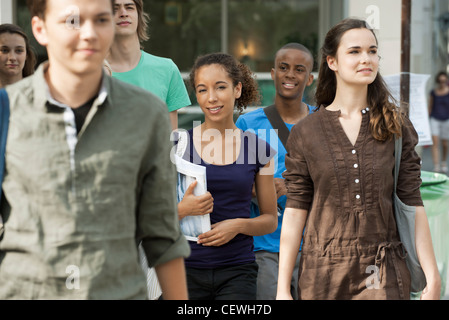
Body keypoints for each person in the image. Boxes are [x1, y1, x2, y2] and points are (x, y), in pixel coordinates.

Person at [0, 0, 190, 299]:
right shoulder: (7, 110)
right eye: (72, 21)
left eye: (101, 20)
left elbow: (162, 234)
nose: (88, 33)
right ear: (40, 28)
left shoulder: (148, 112)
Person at [277, 18, 441, 300]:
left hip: (382, 271)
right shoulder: (306, 131)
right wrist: (281, 288)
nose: (366, 58)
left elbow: (412, 202)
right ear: (332, 62)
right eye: (354, 51)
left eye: (372, 51)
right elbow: (295, 211)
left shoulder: (396, 126)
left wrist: (432, 275)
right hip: (322, 273)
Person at [178, 52, 278, 300]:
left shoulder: (259, 149)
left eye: (220, 87)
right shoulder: (177, 147)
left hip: (237, 271)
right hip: (183, 270)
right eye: (202, 90)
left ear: (237, 89)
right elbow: (150, 216)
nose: (211, 98)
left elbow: (269, 219)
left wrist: (238, 225)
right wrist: (182, 209)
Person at [235, 42, 315, 300]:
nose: (290, 74)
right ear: (272, 73)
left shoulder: (323, 122)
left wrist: (292, 188)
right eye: (283, 67)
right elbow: (235, 182)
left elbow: (337, 183)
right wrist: (261, 190)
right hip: (264, 247)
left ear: (310, 78)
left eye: (299, 69)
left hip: (312, 246)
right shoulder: (248, 123)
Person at [107, 0, 191, 130]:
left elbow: (170, 139)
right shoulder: (93, 73)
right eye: (115, 8)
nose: (123, 13)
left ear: (139, 15)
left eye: (129, 7)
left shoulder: (167, 69)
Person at [0, 23, 36, 88]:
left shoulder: (40, 93)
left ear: (26, 55)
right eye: (4, 50)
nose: (12, 57)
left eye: (19, 50)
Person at [428, 71, 449, 173]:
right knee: (435, 143)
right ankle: (436, 166)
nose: (442, 83)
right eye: (440, 81)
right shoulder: (433, 92)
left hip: (446, 120)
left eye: (444, 81)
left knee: (445, 143)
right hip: (434, 119)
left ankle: (444, 162)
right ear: (438, 81)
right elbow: (430, 106)